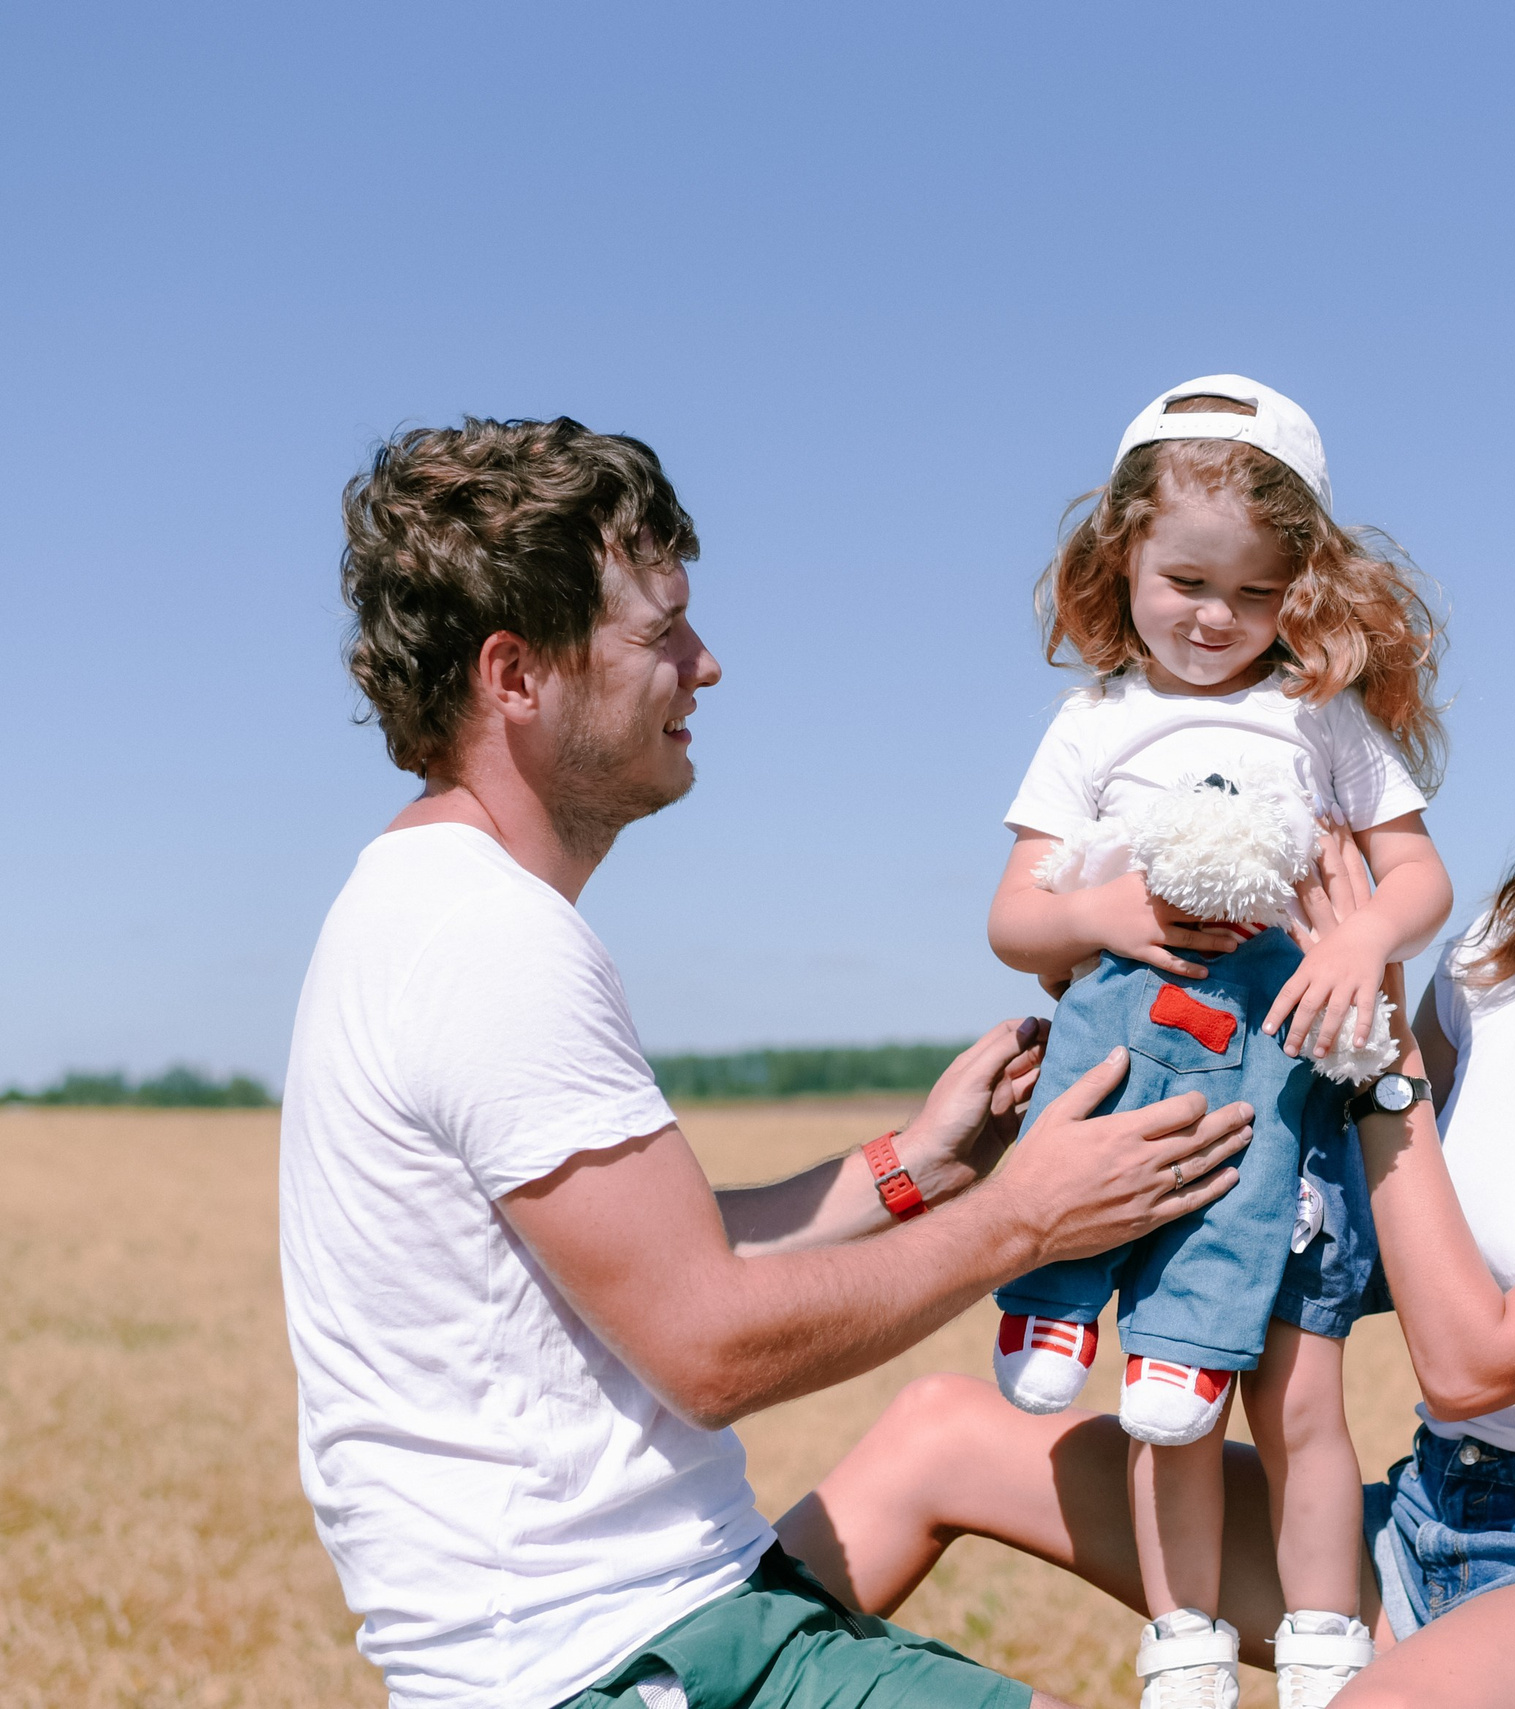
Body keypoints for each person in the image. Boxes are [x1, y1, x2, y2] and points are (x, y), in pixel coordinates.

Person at [787, 615, 1515, 1709]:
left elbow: (1470, 1359)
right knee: (935, 1432)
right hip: (1412, 1522)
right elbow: (1359, 1221)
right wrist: (1154, 1052)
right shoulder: (1496, 967)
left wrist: (1387, 1065)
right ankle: (666, 1667)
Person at [281, 416, 1257, 1709]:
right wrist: (1026, 1218)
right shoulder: (490, 943)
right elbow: (705, 1346)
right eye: (660, 632)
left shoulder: (431, 906)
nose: (707, 664)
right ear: (517, 675)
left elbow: (652, 1257)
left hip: (658, 1626)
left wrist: (915, 1168)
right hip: (623, 1663)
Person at [980, 377, 1454, 1708]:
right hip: (1152, 1110)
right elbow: (1016, 918)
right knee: (1163, 1400)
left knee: (1299, 1402)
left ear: (1298, 595)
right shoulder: (1093, 723)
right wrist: (1100, 910)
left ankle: (1322, 1656)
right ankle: (1183, 1648)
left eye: (1252, 595)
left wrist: (1364, 944)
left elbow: (1420, 880)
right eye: (1184, 579)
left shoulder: (1321, 719)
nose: (1212, 620)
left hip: (1289, 1109)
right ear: (1119, 555)